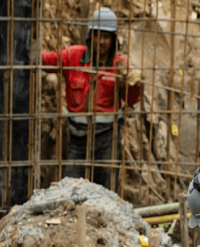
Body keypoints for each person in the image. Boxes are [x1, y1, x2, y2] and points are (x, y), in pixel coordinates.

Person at [41, 7, 142, 189]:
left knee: (106, 190)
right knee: (71, 188)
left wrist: (134, 85)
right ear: (90, 36)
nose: (101, 42)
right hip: (78, 139)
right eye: (98, 35)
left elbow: (132, 100)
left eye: (106, 37)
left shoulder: (119, 66)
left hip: (107, 139)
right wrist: (26, 49)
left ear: (112, 40)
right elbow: (46, 61)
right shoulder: (73, 56)